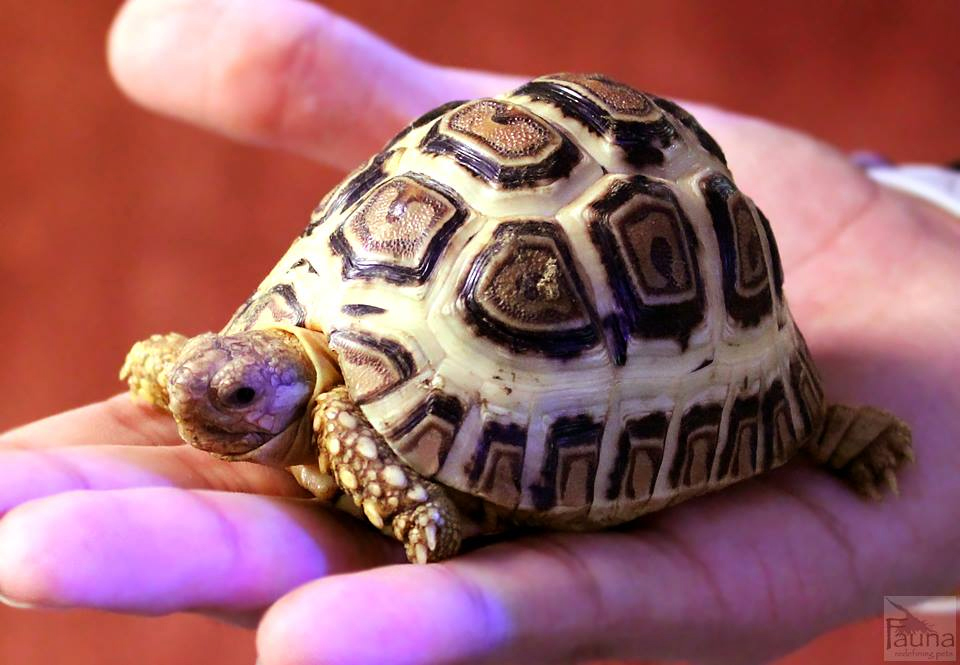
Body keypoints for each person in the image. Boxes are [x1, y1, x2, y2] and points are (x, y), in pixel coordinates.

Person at [1, 1, 958, 663]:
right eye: (223, 388)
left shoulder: (334, 421)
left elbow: (363, 442)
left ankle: (815, 423)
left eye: (240, 398)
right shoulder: (260, 361)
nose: (209, 407)